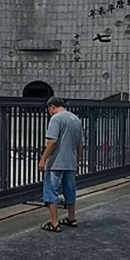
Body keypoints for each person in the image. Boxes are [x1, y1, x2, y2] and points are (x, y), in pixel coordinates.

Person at [39, 97, 83, 232]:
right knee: (70, 191)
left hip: (56, 163)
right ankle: (71, 218)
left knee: (51, 191)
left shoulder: (56, 119)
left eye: (49, 109)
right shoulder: (76, 119)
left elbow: (52, 141)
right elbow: (80, 144)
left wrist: (43, 159)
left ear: (51, 107)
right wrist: (77, 161)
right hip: (70, 162)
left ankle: (54, 223)